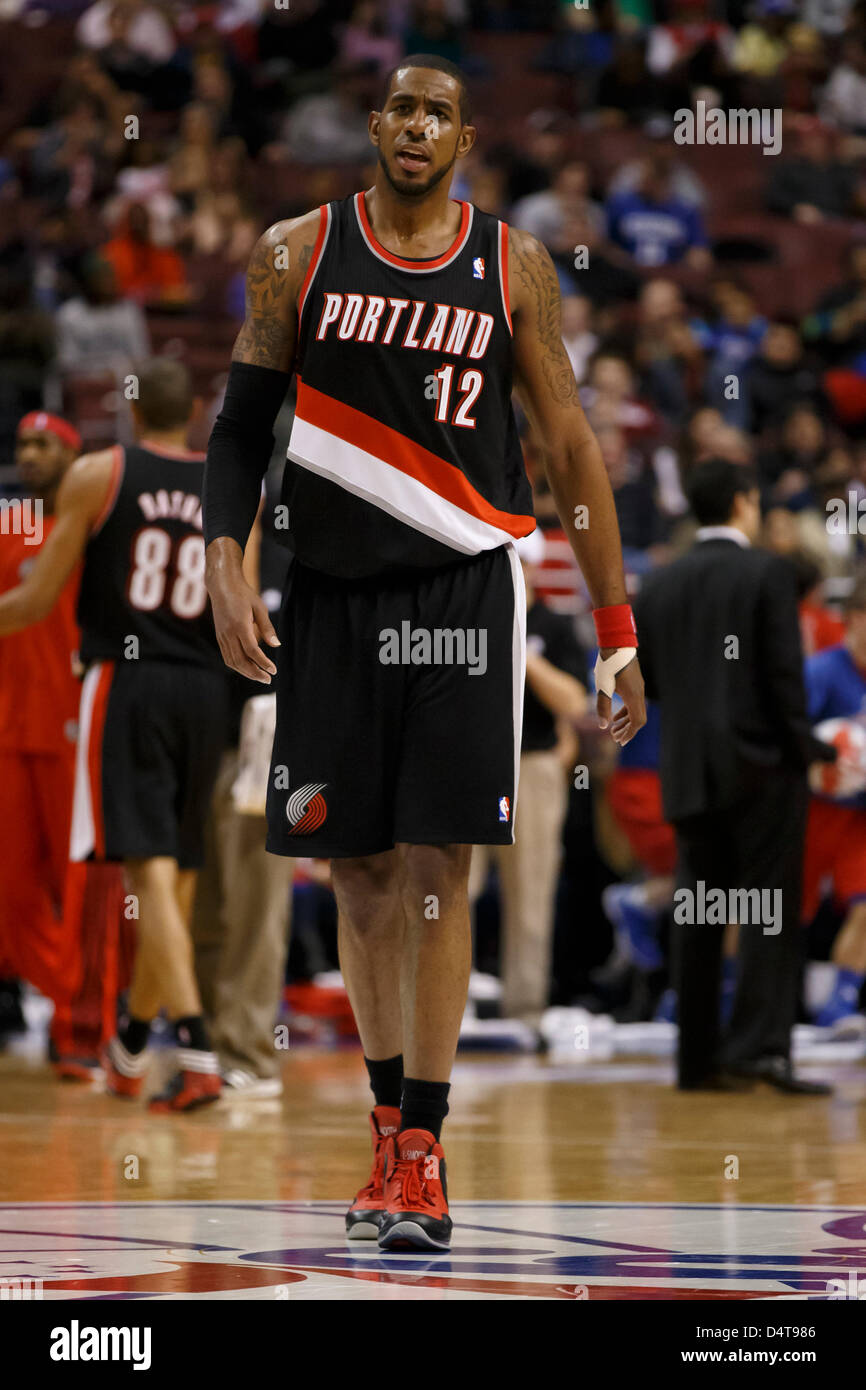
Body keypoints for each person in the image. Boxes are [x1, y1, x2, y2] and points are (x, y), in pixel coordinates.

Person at [203, 53, 645, 1251]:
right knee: (355, 869)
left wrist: (613, 633)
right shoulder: (297, 249)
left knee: (437, 859)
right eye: (398, 106)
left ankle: (425, 1148)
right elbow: (241, 425)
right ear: (372, 126)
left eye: (437, 112)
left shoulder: (513, 265)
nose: (414, 125)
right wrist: (224, 558)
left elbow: (567, 445)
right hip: (333, 593)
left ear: (461, 142)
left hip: (463, 583)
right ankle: (386, 1122)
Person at [0, 359, 228, 1113]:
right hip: (205, 688)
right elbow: (244, 615)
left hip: (127, 684)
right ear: (195, 409)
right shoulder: (230, 484)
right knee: (179, 876)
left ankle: (195, 1051)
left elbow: (35, 600)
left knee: (145, 873)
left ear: (132, 414)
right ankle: (133, 1042)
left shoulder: (99, 474)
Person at [634, 457, 834, 1095]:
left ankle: (696, 1062)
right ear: (745, 501)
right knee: (767, 910)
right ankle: (760, 1051)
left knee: (697, 912)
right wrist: (811, 752)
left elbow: (652, 684)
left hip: (688, 770)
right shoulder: (767, 572)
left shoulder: (658, 584)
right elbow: (782, 678)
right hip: (763, 768)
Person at [468, 531, 587, 1025]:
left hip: (532, 767)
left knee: (531, 892)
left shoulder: (554, 628)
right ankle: (451, 1008)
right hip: (472, 763)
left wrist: (522, 650)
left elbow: (576, 703)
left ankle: (526, 1011)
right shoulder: (469, 620)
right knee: (452, 887)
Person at [0, 413, 82, 1055]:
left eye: (42, 444)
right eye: (23, 444)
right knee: (13, 883)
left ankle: (76, 1016)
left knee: (75, 881)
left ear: (71, 455)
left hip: (72, 722)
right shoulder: (17, 523)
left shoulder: (85, 523)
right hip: (10, 723)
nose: (28, 455)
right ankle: (51, 993)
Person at [802, 576, 866, 1032]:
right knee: (770, 910)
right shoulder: (822, 672)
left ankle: (840, 1005)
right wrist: (819, 766)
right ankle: (724, 995)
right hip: (810, 812)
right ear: (855, 621)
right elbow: (786, 738)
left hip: (858, 817)